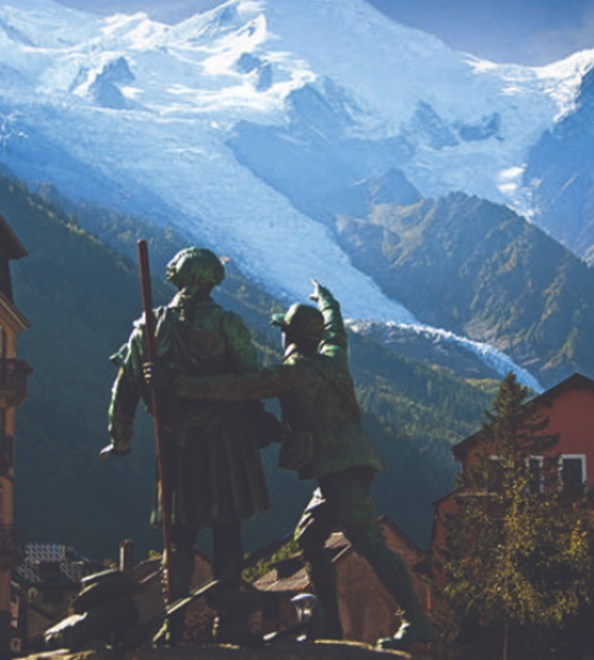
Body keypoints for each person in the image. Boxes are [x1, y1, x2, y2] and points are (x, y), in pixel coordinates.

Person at [161, 280, 437, 650]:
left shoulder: (290, 372)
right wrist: (327, 299)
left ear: (289, 336)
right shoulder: (334, 359)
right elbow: (336, 329)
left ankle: (416, 619)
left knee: (369, 542)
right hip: (349, 463)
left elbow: (236, 387)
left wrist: (180, 385)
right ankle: (329, 622)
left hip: (339, 468)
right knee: (308, 537)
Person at [105, 246, 272, 645]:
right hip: (228, 444)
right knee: (228, 530)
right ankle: (227, 623)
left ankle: (173, 624)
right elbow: (251, 384)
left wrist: (120, 438)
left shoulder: (149, 326)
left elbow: (124, 389)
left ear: (178, 278)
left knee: (178, 539)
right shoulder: (229, 324)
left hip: (177, 445)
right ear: (211, 281)